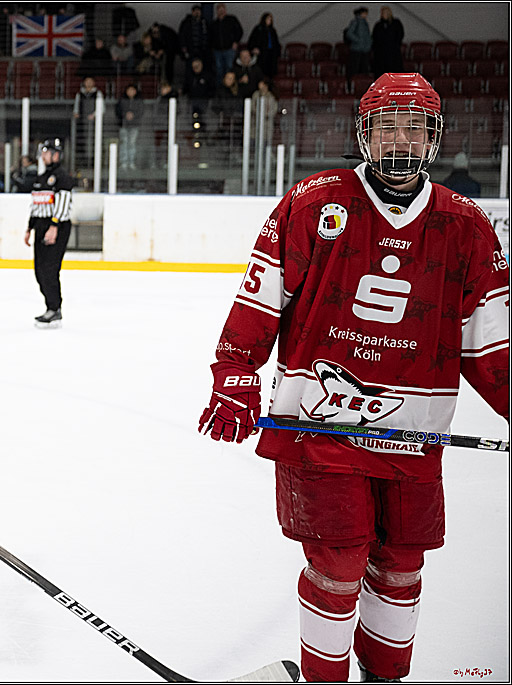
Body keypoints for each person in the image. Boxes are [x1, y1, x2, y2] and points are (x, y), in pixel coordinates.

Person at [197, 73, 509, 683]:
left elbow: (492, 345)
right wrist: (235, 371)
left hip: (413, 438)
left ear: (434, 138)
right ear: (364, 133)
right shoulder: (314, 202)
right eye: (389, 125)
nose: (401, 140)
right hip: (322, 426)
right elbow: (263, 296)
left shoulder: (465, 226)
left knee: (402, 564)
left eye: (415, 128)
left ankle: (386, 678)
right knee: (338, 561)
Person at [24, 138, 73, 328]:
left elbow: (63, 203)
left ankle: (55, 309)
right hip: (41, 226)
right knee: (39, 271)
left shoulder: (62, 177)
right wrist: (30, 227)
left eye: (46, 152)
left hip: (56, 227)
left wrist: (54, 226)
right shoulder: (41, 178)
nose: (42, 156)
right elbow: (36, 204)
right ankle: (51, 307)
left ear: (55, 154)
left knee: (50, 270)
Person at [209, 3, 242, 81]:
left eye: (222, 10)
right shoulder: (214, 23)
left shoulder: (232, 19)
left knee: (229, 69)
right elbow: (210, 37)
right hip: (217, 51)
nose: (221, 12)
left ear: (225, 10)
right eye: (219, 10)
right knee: (219, 70)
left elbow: (239, 31)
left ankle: (230, 87)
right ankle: (220, 88)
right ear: (216, 11)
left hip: (229, 49)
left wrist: (236, 42)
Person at [116, 83, 144, 170]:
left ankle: (131, 162)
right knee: (123, 143)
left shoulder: (139, 101)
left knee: (132, 144)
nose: (131, 92)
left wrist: (133, 115)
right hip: (123, 125)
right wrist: (125, 115)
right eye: (129, 90)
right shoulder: (122, 100)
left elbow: (141, 111)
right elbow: (118, 111)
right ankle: (123, 162)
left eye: (133, 90)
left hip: (134, 125)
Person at [372, 7, 405, 77]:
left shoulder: (396, 23)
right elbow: (375, 38)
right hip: (381, 55)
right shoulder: (378, 25)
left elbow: (400, 35)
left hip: (393, 53)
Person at [247, 13, 281, 81]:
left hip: (272, 54)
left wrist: (277, 52)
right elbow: (251, 40)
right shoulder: (258, 29)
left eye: (271, 19)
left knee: (271, 73)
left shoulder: (272, 30)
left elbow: (276, 42)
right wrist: (254, 48)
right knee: (261, 72)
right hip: (262, 54)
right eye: (268, 19)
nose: (269, 21)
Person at [179, 5, 210, 74]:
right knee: (190, 68)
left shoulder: (204, 22)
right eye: (195, 11)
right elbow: (182, 35)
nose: (197, 13)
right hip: (190, 50)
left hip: (202, 50)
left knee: (202, 67)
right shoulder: (186, 22)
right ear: (192, 12)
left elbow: (209, 35)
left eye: (198, 11)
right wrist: (183, 47)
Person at [345, 7, 372, 77]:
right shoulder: (356, 22)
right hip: (357, 48)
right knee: (355, 67)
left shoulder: (364, 22)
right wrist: (359, 40)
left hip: (364, 48)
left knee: (363, 67)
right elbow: (349, 33)